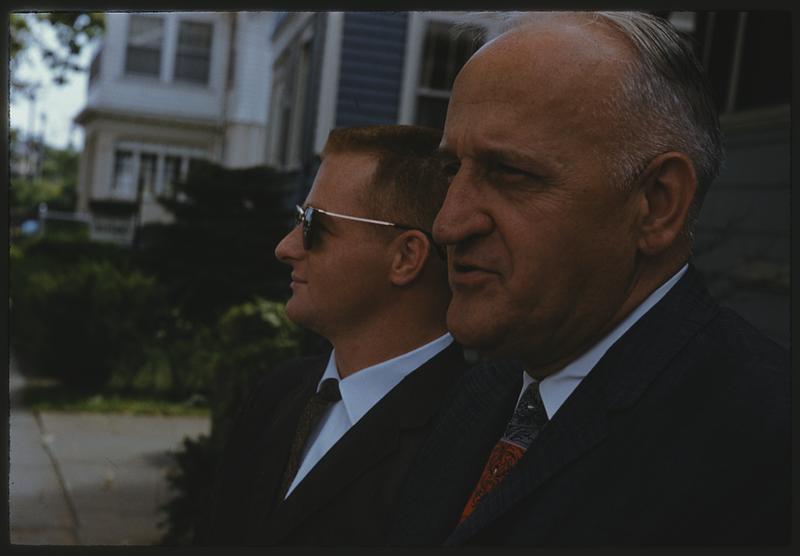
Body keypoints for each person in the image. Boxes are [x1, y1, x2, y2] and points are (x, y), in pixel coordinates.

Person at [389, 11, 790, 546]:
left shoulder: (767, 447)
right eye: (450, 171)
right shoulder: (482, 391)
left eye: (509, 173)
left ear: (657, 205)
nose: (447, 223)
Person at [198, 125, 467, 545]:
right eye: (298, 220)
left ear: (405, 257)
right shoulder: (276, 394)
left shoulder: (468, 436)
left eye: (313, 225)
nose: (285, 247)